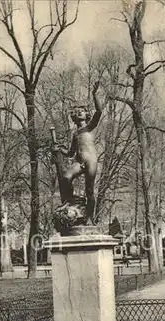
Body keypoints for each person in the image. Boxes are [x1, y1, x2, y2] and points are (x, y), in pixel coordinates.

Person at [52, 81, 102, 225]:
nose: (80, 112)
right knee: (66, 177)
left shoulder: (89, 127)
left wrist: (94, 94)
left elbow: (99, 112)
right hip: (79, 161)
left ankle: (90, 218)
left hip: (91, 160)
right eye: (77, 111)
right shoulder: (75, 134)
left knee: (89, 191)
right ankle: (72, 201)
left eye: (82, 111)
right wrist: (59, 149)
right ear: (74, 116)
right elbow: (70, 153)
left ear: (86, 115)